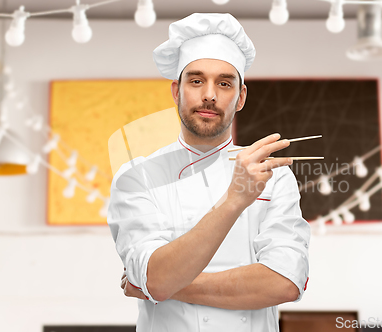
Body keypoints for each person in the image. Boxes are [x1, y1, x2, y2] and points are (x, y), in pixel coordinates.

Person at [107, 13, 310, 332]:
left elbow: (284, 283)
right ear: (176, 91)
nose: (210, 95)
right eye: (196, 80)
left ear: (240, 97)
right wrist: (234, 200)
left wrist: (167, 286)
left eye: (225, 83)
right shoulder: (136, 177)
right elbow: (157, 279)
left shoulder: (273, 174)